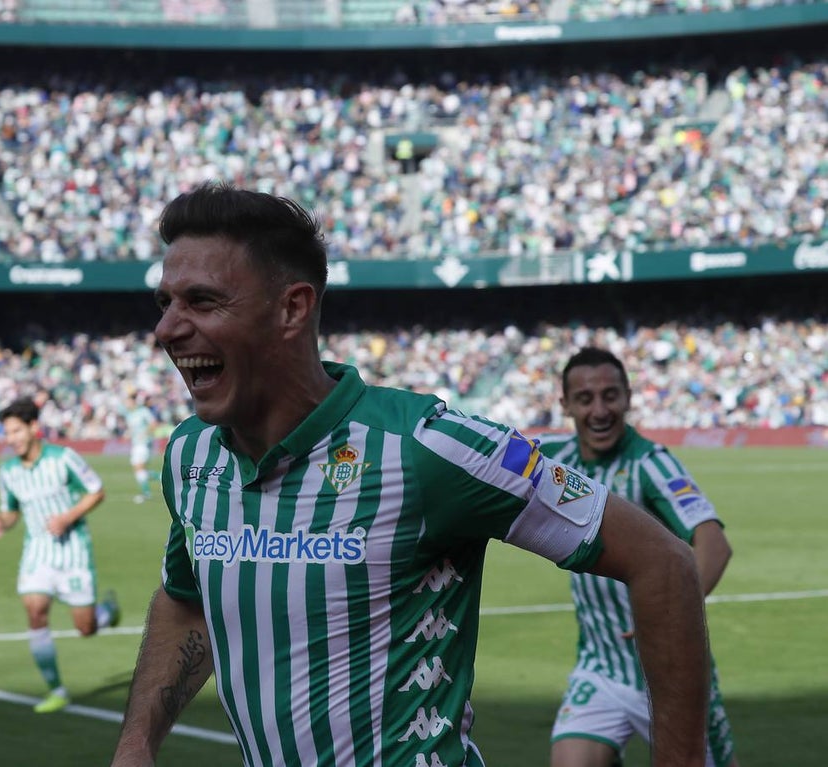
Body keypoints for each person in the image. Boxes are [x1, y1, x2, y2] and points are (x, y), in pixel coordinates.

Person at [110, 183, 712, 767]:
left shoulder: (427, 450)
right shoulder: (192, 457)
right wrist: (136, 744)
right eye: (166, 303)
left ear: (293, 308)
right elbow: (189, 601)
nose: (166, 329)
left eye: (203, 301)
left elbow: (662, 560)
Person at [541, 348, 739, 767]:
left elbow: (714, 543)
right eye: (585, 398)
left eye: (611, 396)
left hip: (672, 670)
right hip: (601, 667)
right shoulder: (555, 460)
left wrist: (670, 613)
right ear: (565, 405)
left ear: (629, 397)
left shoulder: (651, 463)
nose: (599, 410)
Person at [0, 395, 121, 714]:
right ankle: (56, 690)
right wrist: (0, 523)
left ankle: (106, 613)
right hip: (37, 553)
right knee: (35, 612)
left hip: (73, 553)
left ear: (34, 428)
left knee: (85, 629)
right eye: (7, 433)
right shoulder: (8, 471)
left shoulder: (64, 458)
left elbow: (96, 491)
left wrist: (67, 517)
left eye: (17, 431)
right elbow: (10, 511)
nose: (12, 439)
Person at [124, 393, 158, 503]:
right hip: (136, 444)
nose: (126, 404)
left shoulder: (143, 411)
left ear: (133, 402)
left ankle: (146, 493)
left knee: (139, 468)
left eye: (128, 401)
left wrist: (145, 434)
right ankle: (162, 477)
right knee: (139, 470)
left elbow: (153, 424)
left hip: (143, 443)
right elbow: (133, 429)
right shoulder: (129, 415)